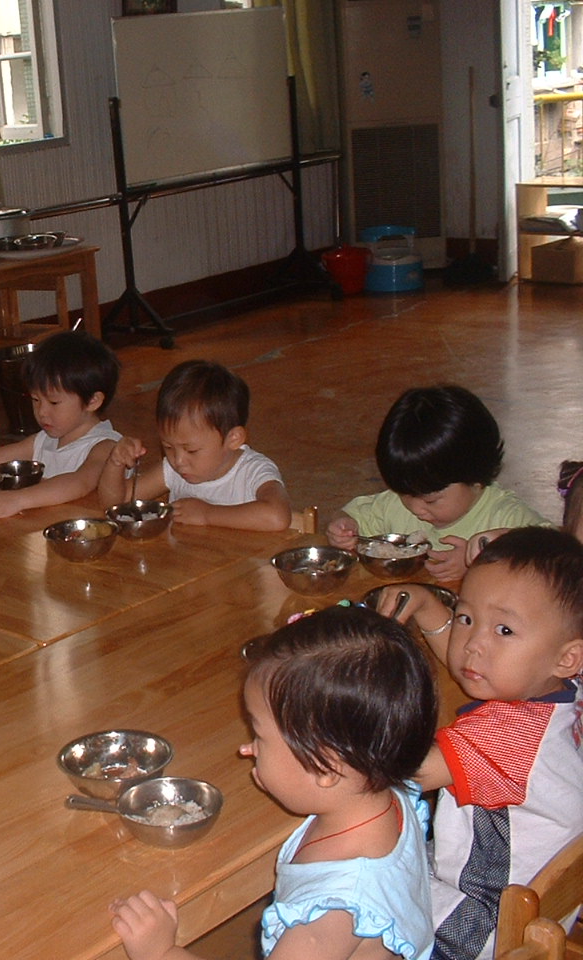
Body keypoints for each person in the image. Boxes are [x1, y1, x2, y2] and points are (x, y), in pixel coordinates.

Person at [111, 605, 438, 960]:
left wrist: (160, 951)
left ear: (325, 769)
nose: (247, 749)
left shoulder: (331, 917)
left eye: (259, 737)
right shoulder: (379, 789)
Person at [379, 527, 583, 960]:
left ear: (566, 657)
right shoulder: (567, 686)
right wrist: (431, 609)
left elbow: (399, 772)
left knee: (346, 878)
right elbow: (473, 665)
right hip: (546, 900)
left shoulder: (506, 736)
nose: (473, 644)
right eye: (466, 618)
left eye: (504, 630)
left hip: (483, 925)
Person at [326, 385, 547, 581]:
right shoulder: (394, 506)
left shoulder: (505, 515)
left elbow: (556, 555)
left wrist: (479, 564)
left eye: (431, 500)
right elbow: (352, 517)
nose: (416, 508)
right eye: (404, 494)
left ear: (476, 480)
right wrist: (343, 529)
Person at [0, 330, 121, 519]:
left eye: (54, 402)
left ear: (92, 401)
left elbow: (79, 483)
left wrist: (18, 499)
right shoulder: (44, 440)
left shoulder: (106, 446)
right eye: (35, 399)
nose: (41, 411)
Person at [98, 359, 290, 530]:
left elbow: (277, 517)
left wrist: (207, 514)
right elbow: (115, 504)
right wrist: (115, 462)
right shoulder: (173, 470)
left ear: (233, 439)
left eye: (191, 450)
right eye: (168, 447)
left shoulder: (253, 471)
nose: (178, 460)